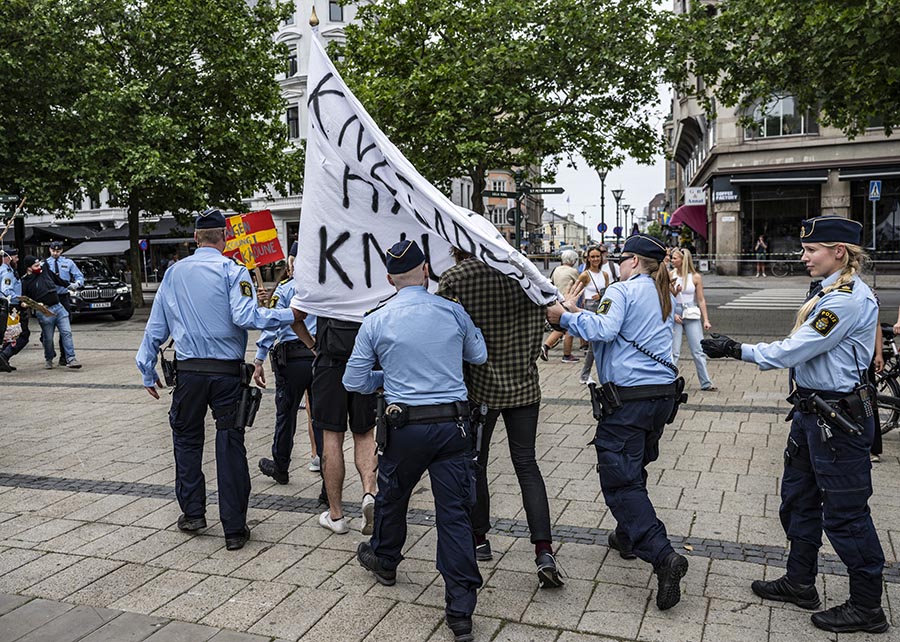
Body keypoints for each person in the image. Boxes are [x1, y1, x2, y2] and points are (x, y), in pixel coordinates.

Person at [702, 215, 888, 634]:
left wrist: (735, 349)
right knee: (798, 500)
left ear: (838, 252)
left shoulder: (845, 300)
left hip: (838, 422)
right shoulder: (829, 290)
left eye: (811, 250)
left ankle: (867, 607)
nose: (802, 256)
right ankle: (800, 582)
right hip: (812, 415)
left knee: (846, 516)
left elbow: (793, 350)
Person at [135, 208, 304, 551]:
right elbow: (245, 316)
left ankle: (193, 513)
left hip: (189, 373)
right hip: (226, 373)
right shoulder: (233, 270)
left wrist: (145, 365)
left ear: (196, 238)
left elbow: (157, 326)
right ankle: (234, 528)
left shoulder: (173, 273)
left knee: (186, 439)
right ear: (224, 239)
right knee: (229, 444)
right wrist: (289, 314)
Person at [344, 239, 487, 642]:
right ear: (426, 271)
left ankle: (385, 559)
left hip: (404, 425)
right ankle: (460, 611)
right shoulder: (454, 311)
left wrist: (385, 378)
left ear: (389, 279)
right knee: (454, 514)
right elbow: (477, 356)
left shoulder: (376, 319)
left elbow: (353, 381)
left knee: (393, 497)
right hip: (452, 427)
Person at [546, 233, 690, 611]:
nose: (618, 263)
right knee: (635, 464)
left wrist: (565, 317)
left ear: (632, 261)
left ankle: (662, 556)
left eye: (622, 257)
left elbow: (604, 331)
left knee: (619, 478)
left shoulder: (622, 291)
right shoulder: (664, 293)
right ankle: (626, 536)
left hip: (629, 401)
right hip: (661, 396)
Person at [438, 247, 564, 589]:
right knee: (527, 465)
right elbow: (557, 318)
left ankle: (479, 538)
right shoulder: (528, 279)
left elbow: (443, 331)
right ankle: (543, 550)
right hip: (524, 387)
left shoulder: (456, 279)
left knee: (476, 464)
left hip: (479, 389)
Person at [294, 299, 378, 535]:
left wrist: (313, 346)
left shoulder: (324, 275)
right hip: (365, 360)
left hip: (329, 363)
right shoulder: (370, 277)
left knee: (331, 437)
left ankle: (336, 515)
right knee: (364, 434)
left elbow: (295, 317)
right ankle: (370, 493)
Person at [253, 275, 318, 484]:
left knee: (286, 415)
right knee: (323, 418)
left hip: (291, 359)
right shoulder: (322, 285)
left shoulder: (285, 288)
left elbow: (273, 322)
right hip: (319, 356)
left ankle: (281, 466)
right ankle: (329, 480)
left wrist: (259, 358)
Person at [21, 255, 81, 369]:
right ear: (29, 268)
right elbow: (25, 299)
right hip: (44, 312)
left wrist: (68, 285)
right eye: (36, 266)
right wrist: (27, 304)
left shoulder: (45, 270)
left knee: (66, 333)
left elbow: (56, 278)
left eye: (39, 264)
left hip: (58, 307)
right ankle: (49, 358)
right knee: (48, 339)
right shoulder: (25, 281)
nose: (39, 267)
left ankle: (71, 358)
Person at [670, 248, 716, 391]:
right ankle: (668, 381)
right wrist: (672, 313)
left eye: (675, 258)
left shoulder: (695, 277)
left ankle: (706, 382)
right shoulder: (670, 275)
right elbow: (666, 297)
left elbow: (701, 299)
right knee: (674, 351)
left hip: (691, 312)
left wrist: (706, 319)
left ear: (683, 260)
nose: (672, 260)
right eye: (672, 258)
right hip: (676, 311)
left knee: (698, 349)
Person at [45, 241, 84, 366]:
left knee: (65, 329)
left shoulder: (68, 263)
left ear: (61, 251)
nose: (55, 253)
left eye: (58, 251)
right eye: (53, 250)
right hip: (49, 298)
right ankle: (49, 354)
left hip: (63, 297)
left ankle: (65, 356)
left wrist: (76, 284)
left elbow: (79, 276)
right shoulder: (44, 264)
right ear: (49, 250)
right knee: (46, 331)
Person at [576, 245, 610, 385]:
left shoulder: (605, 274)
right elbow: (576, 289)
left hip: (603, 307)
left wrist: (602, 295)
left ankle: (594, 374)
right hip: (590, 308)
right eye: (593, 257)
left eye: (598, 256)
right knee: (594, 343)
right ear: (588, 259)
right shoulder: (585, 275)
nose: (596, 259)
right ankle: (585, 375)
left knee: (604, 341)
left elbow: (608, 292)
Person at [541, 249, 580, 362]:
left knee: (561, 326)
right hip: (567, 302)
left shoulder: (556, 269)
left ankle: (546, 346)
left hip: (557, 301)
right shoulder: (573, 271)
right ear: (573, 260)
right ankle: (566, 355)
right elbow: (579, 284)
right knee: (568, 328)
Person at [0, 248, 29, 372]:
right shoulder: (7, 272)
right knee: (20, 334)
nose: (17, 259)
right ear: (8, 258)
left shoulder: (8, 270)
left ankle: (3, 359)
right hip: (12, 307)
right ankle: (3, 356)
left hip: (9, 306)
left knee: (9, 335)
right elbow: (6, 291)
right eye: (15, 257)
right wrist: (20, 300)